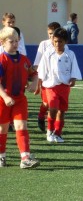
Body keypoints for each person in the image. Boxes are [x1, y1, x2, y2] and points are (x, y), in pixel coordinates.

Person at [0, 27, 40, 168]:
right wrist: (4, 96)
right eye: (11, 41)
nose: (15, 44)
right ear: (2, 42)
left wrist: (34, 83)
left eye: (17, 41)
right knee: (2, 129)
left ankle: (25, 158)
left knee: (21, 126)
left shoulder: (24, 59)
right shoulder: (2, 59)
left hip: (19, 99)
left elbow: (33, 73)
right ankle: (2, 155)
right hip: (3, 100)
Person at [37, 28, 82, 143]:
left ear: (65, 41)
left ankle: (58, 133)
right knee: (53, 108)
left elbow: (74, 69)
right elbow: (42, 70)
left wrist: (73, 78)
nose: (57, 44)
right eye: (55, 41)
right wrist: (39, 84)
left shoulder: (70, 54)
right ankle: (49, 131)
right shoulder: (48, 54)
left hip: (64, 86)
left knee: (61, 111)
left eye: (60, 41)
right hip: (51, 86)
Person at [33, 22, 63, 132]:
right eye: (49, 33)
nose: (51, 36)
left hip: (59, 81)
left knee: (58, 106)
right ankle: (41, 115)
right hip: (46, 80)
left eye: (53, 34)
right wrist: (37, 79)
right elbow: (37, 62)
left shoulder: (62, 45)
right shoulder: (44, 44)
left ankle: (56, 129)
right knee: (47, 103)